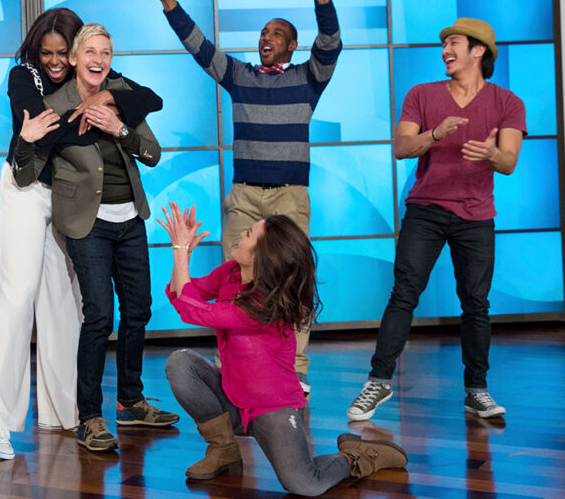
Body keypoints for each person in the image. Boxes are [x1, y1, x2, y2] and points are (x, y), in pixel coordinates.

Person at [144, 0, 342, 392]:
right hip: (247, 197)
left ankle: (296, 368)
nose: (265, 38)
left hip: (290, 198)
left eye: (276, 34)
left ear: (291, 47)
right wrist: (168, 0)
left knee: (292, 280)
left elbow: (330, 42)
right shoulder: (240, 76)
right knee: (236, 279)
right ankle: (236, 364)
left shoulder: (309, 79)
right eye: (263, 33)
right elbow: (200, 47)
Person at [0, 8, 162, 459]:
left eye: (65, 52)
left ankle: (67, 414)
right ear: (37, 50)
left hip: (69, 195)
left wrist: (111, 104)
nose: (57, 61)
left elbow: (147, 98)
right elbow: (38, 122)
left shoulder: (93, 67)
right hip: (26, 187)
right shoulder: (24, 76)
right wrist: (47, 125)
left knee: (67, 306)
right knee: (18, 297)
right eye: (49, 52)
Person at [158, 203, 407, 495]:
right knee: (181, 363)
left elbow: (191, 309)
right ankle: (223, 449)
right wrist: (184, 254)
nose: (241, 235)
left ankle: (359, 455)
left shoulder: (264, 305)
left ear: (261, 256)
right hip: (233, 398)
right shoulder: (231, 272)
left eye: (249, 234)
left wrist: (179, 249)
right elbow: (183, 294)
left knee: (305, 484)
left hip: (273, 409)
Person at [347, 18, 525, 421]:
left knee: (476, 304)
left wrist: (491, 154)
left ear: (478, 51)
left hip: (476, 215)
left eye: (454, 43)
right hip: (425, 210)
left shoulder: (507, 102)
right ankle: (378, 381)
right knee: (404, 293)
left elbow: (509, 161)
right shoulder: (423, 94)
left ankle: (476, 390)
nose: (445, 50)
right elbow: (402, 147)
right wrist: (436, 135)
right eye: (444, 43)